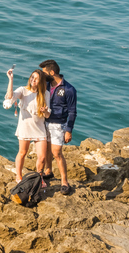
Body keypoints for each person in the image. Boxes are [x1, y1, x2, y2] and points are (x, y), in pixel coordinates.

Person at [5, 68, 51, 183]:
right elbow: (10, 97)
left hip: (39, 129)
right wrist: (11, 79)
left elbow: (47, 116)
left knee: (42, 157)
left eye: (36, 79)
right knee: (22, 153)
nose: (33, 80)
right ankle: (18, 176)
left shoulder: (45, 94)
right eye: (32, 77)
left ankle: (39, 178)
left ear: (40, 82)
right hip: (25, 128)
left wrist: (45, 111)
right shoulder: (23, 90)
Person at [39, 59, 77, 195]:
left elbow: (72, 112)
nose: (43, 75)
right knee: (46, 150)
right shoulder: (46, 85)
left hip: (58, 124)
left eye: (45, 73)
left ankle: (64, 182)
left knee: (57, 153)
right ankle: (48, 171)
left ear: (52, 72)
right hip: (44, 122)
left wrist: (68, 131)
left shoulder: (69, 89)